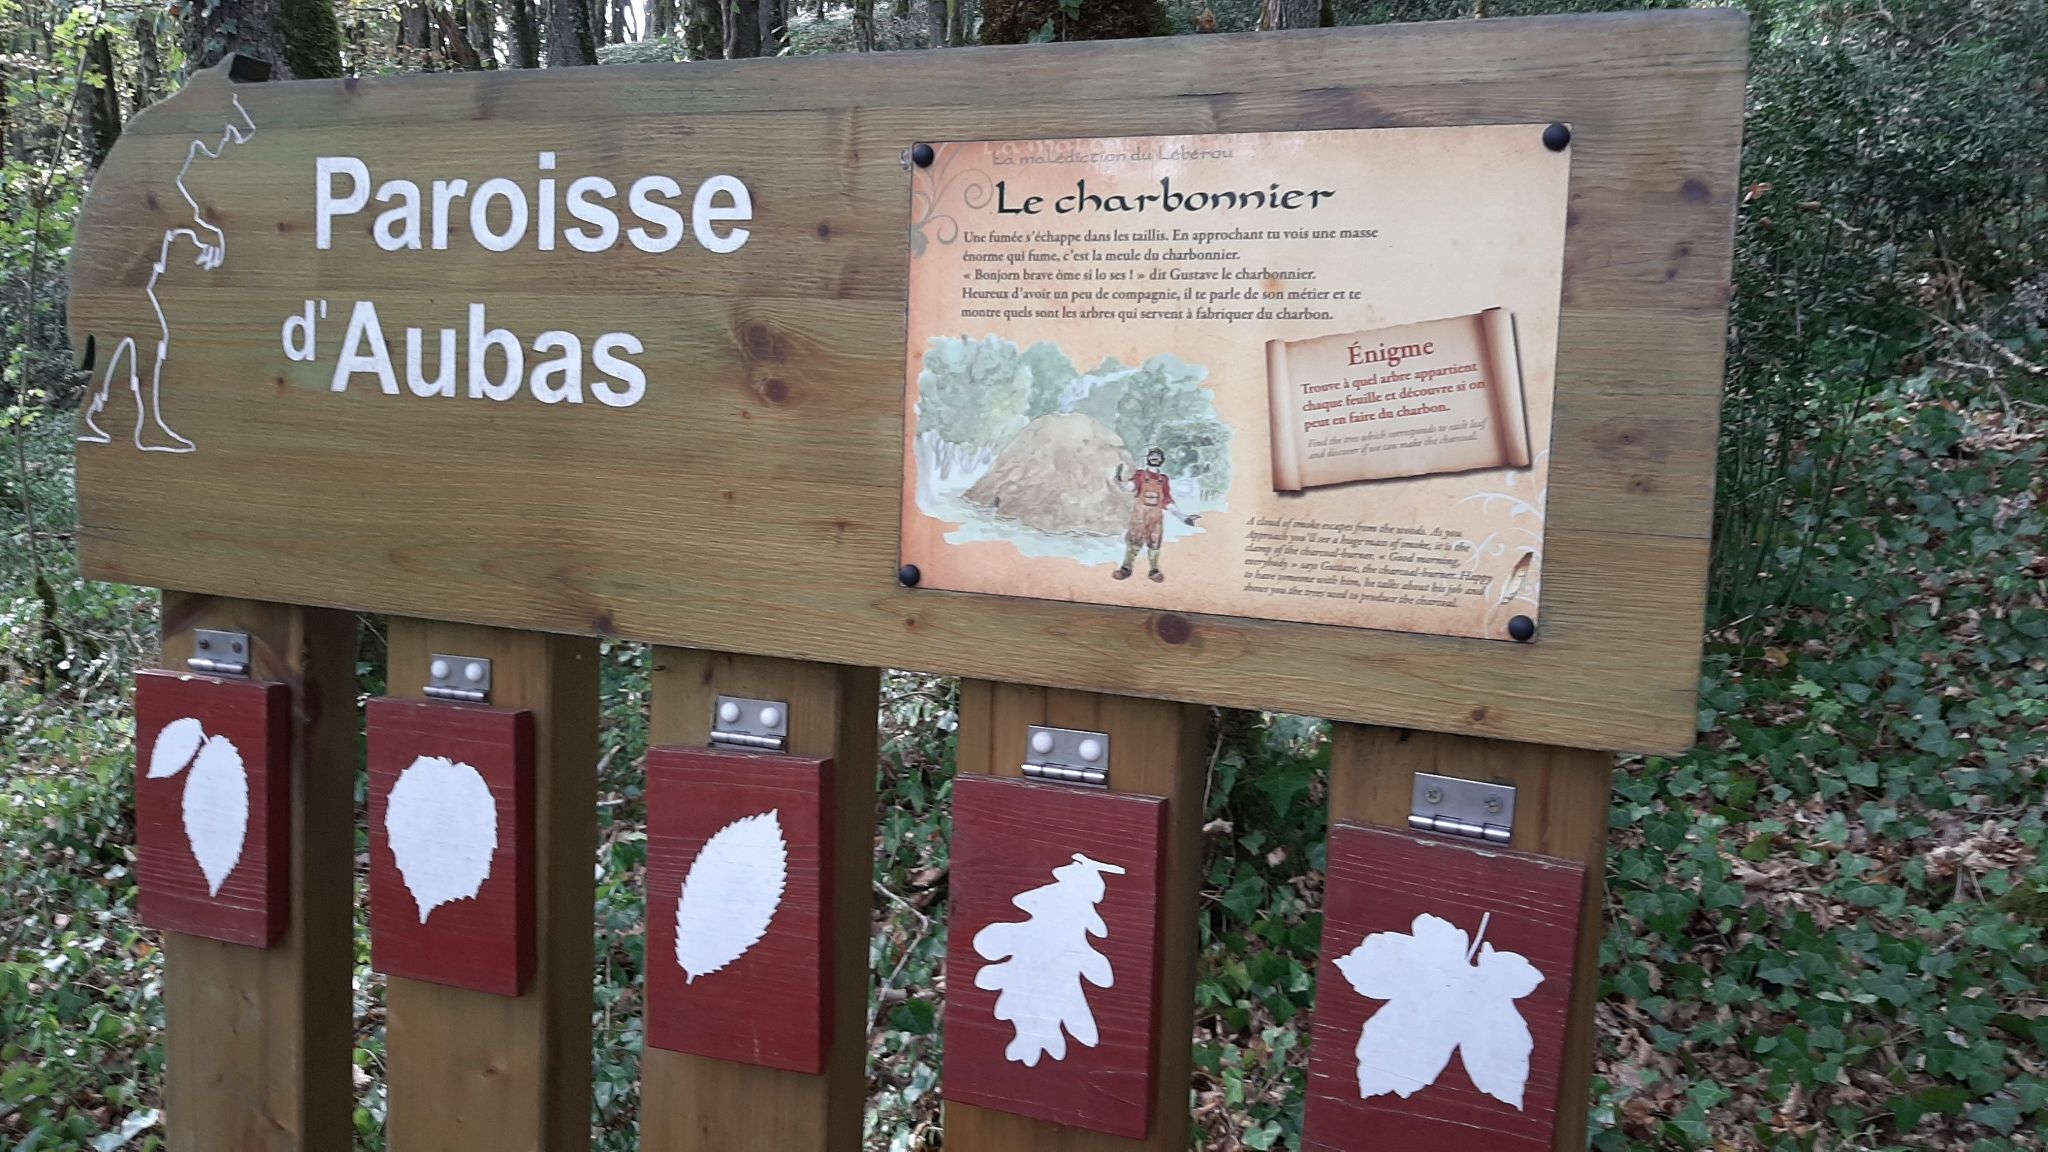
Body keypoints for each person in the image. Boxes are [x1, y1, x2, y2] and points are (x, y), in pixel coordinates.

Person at [1113, 447, 1198, 582]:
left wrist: (1183, 517)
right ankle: (1126, 568)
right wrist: (1119, 481)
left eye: (1158, 456)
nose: (1155, 458)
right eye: (1152, 456)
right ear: (1148, 458)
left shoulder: (1163, 480)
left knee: (1155, 543)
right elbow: (1130, 487)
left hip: (1155, 518)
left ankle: (1154, 570)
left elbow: (1167, 500)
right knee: (1134, 541)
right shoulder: (1141, 475)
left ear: (1162, 460)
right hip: (1139, 517)